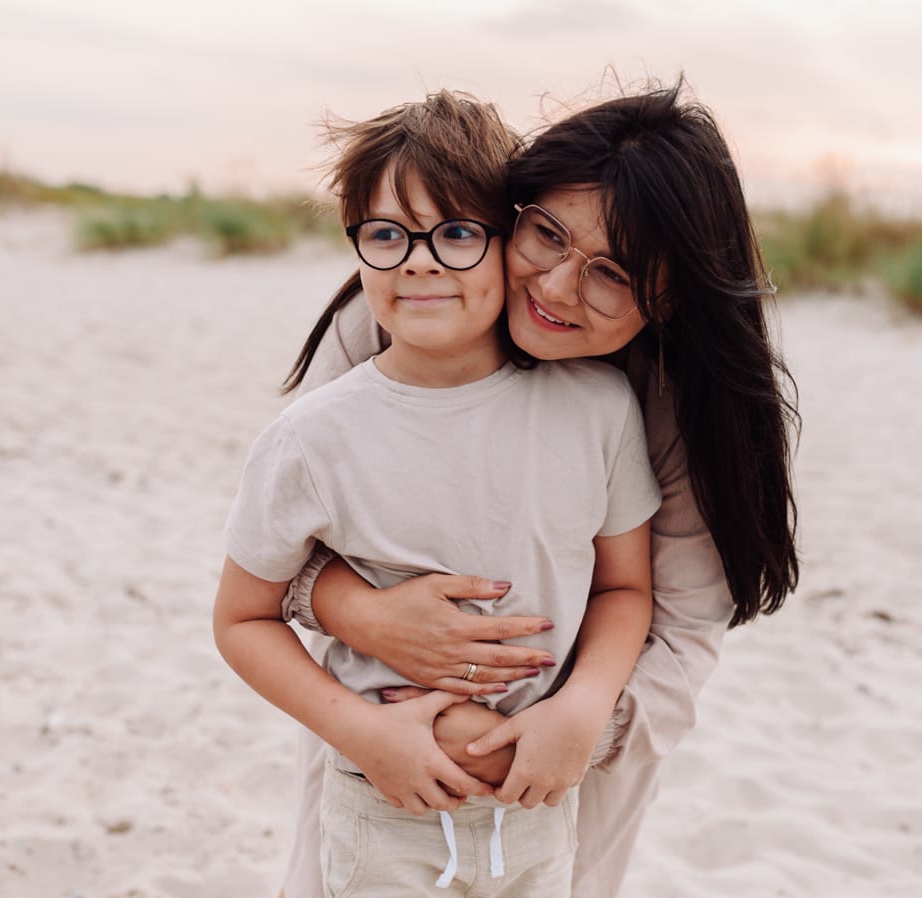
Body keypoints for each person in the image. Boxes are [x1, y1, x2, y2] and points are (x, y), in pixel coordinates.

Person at [275, 79, 801, 898]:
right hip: (383, 741)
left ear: (669, 298)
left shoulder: (666, 401)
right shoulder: (399, 323)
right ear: (512, 211)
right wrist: (366, 614)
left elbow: (681, 624)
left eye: (613, 274)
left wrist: (564, 727)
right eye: (547, 234)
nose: (556, 288)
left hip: (565, 771)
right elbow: (283, 554)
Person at [214, 90, 663, 897]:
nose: (418, 261)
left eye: (456, 233)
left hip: (538, 802)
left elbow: (627, 587)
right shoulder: (312, 438)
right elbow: (242, 617)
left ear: (509, 242)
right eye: (387, 235)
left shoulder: (598, 409)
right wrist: (359, 731)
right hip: (384, 801)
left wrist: (584, 707)